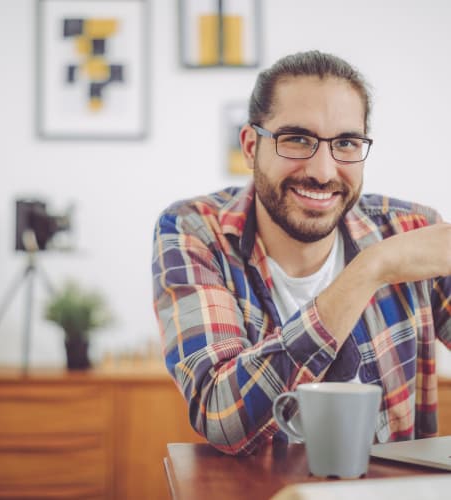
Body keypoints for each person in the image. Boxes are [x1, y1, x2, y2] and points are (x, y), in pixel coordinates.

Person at [152, 50, 451, 456]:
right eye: (297, 139)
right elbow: (222, 417)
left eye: (345, 143)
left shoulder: (411, 229)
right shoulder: (194, 231)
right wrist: (369, 269)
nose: (324, 172)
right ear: (250, 145)